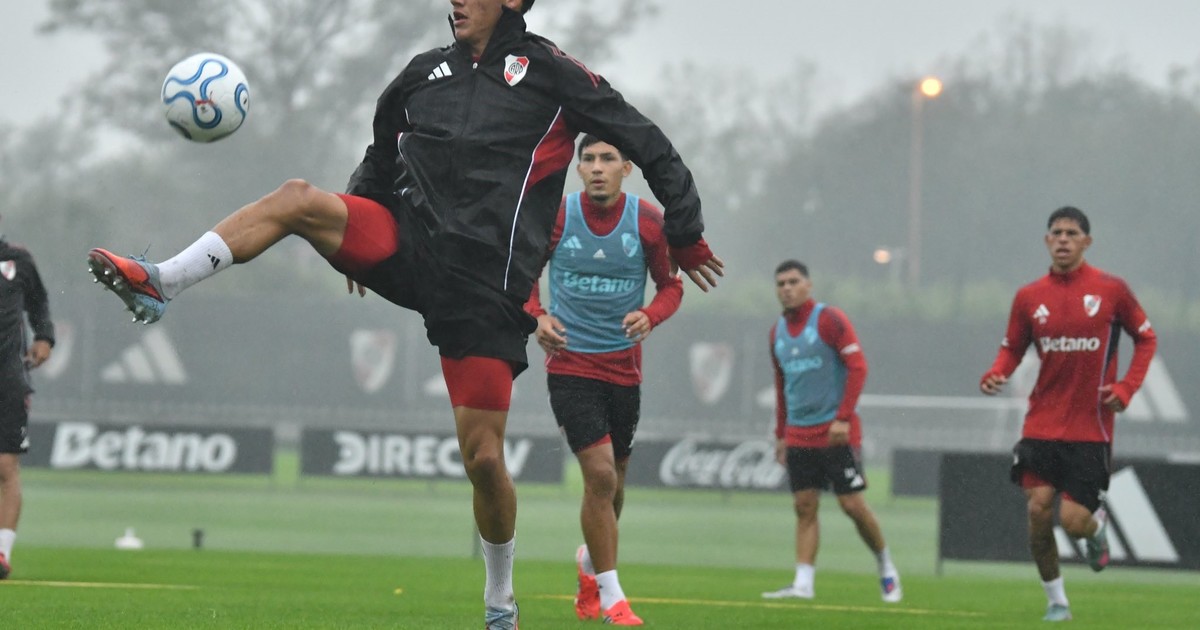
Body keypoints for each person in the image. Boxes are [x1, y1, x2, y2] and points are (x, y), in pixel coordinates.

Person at [85, 0, 723, 626]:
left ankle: (500, 602)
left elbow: (650, 143)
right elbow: (382, 150)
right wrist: (356, 223)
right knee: (297, 199)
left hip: (485, 287)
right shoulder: (423, 73)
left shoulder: (555, 74)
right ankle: (162, 282)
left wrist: (686, 232)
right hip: (409, 243)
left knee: (483, 459)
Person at [524, 135, 683, 626]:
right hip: (570, 367)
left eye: (607, 159)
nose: (597, 167)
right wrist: (537, 316)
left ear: (626, 168)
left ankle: (590, 565)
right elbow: (522, 272)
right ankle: (615, 598)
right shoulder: (557, 216)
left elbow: (671, 286)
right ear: (577, 169)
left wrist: (651, 316)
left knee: (615, 485)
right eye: (588, 159)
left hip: (624, 371)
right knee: (600, 475)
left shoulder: (648, 222)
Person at [979, 206, 1156, 623]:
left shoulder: (1112, 290)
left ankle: (1095, 530)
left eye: (1071, 233)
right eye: (1056, 232)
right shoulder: (1029, 296)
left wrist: (1126, 388)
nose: (1063, 239)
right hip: (1041, 423)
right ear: (1046, 241)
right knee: (1038, 511)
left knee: (1073, 522)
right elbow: (1012, 347)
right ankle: (1056, 601)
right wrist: (997, 372)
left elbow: (1146, 339)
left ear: (1086, 242)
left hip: (1090, 429)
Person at [761, 260, 901, 603]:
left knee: (851, 505)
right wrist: (780, 434)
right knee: (804, 506)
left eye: (793, 281)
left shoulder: (829, 320)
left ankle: (885, 565)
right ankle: (803, 583)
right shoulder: (777, 333)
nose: (787, 289)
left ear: (808, 285)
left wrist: (843, 418)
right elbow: (782, 387)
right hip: (798, 433)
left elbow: (858, 367)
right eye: (781, 283)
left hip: (835, 432)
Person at [0, 221, 55, 580]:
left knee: (5, 467)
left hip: (7, 380)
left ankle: (1, 554)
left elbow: (39, 302)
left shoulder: (18, 260)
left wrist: (44, 337)